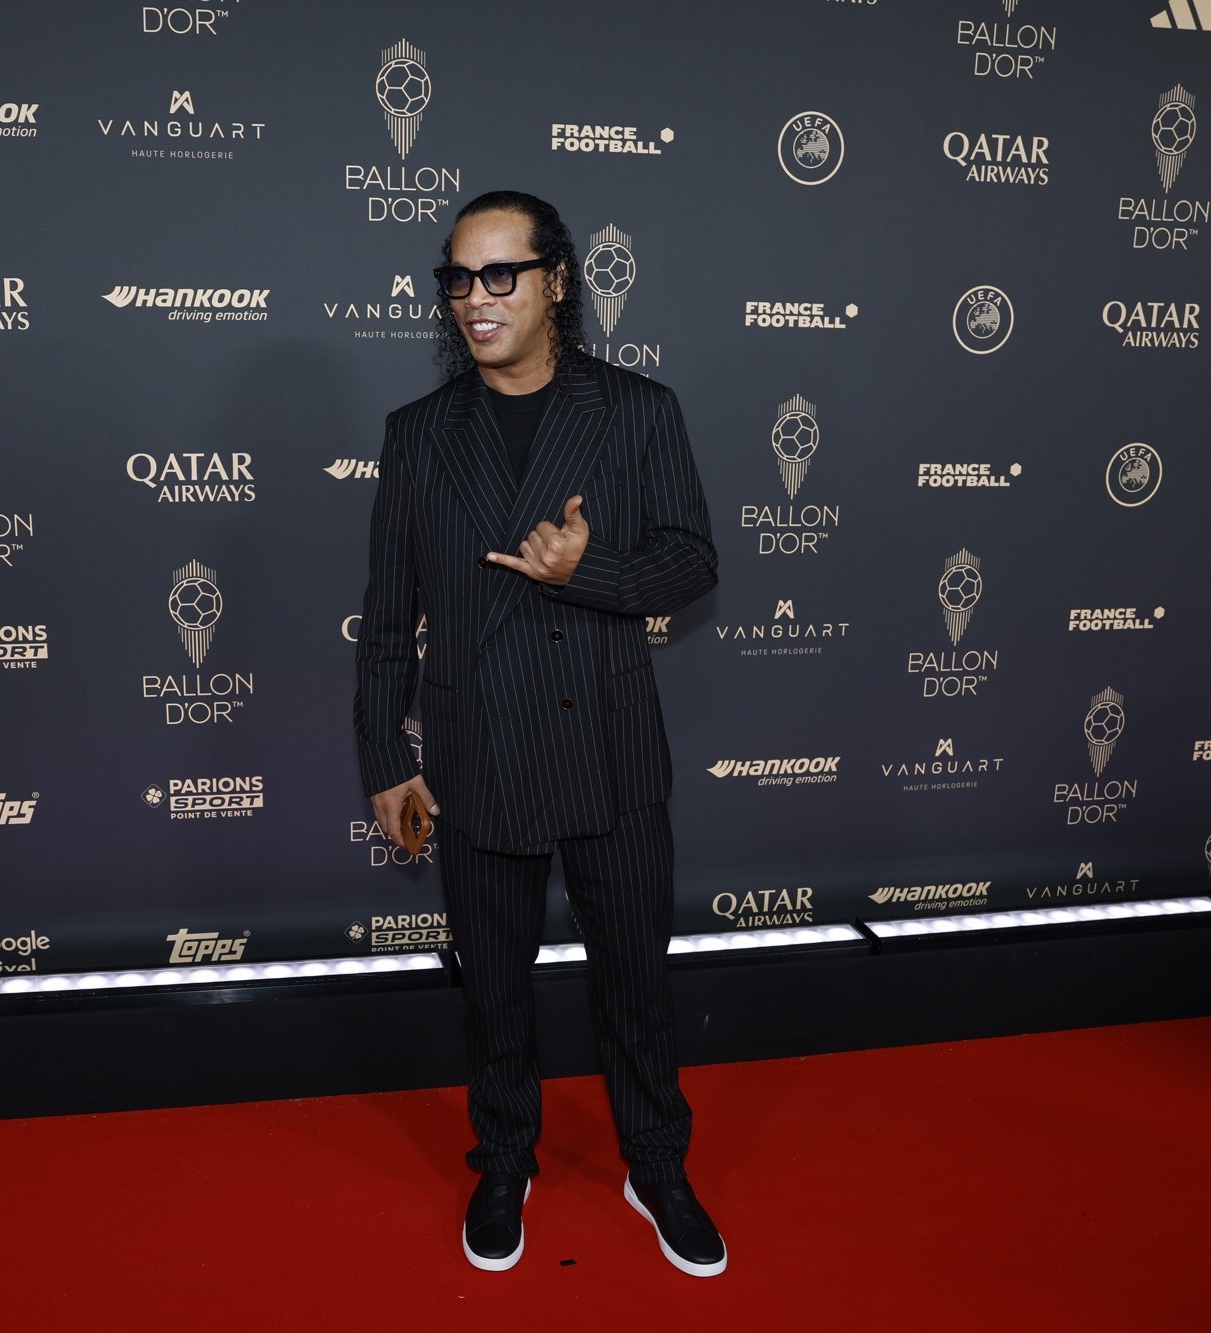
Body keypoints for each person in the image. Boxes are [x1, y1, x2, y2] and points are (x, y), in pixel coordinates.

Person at [352, 190, 726, 1277]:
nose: (475, 298)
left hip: (609, 752)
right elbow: (386, 620)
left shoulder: (637, 410)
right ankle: (504, 1159)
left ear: (556, 280)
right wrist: (387, 758)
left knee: (636, 985)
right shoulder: (419, 436)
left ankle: (655, 1163)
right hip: (478, 759)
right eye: (458, 278)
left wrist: (588, 569)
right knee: (495, 990)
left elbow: (692, 561)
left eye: (499, 274)